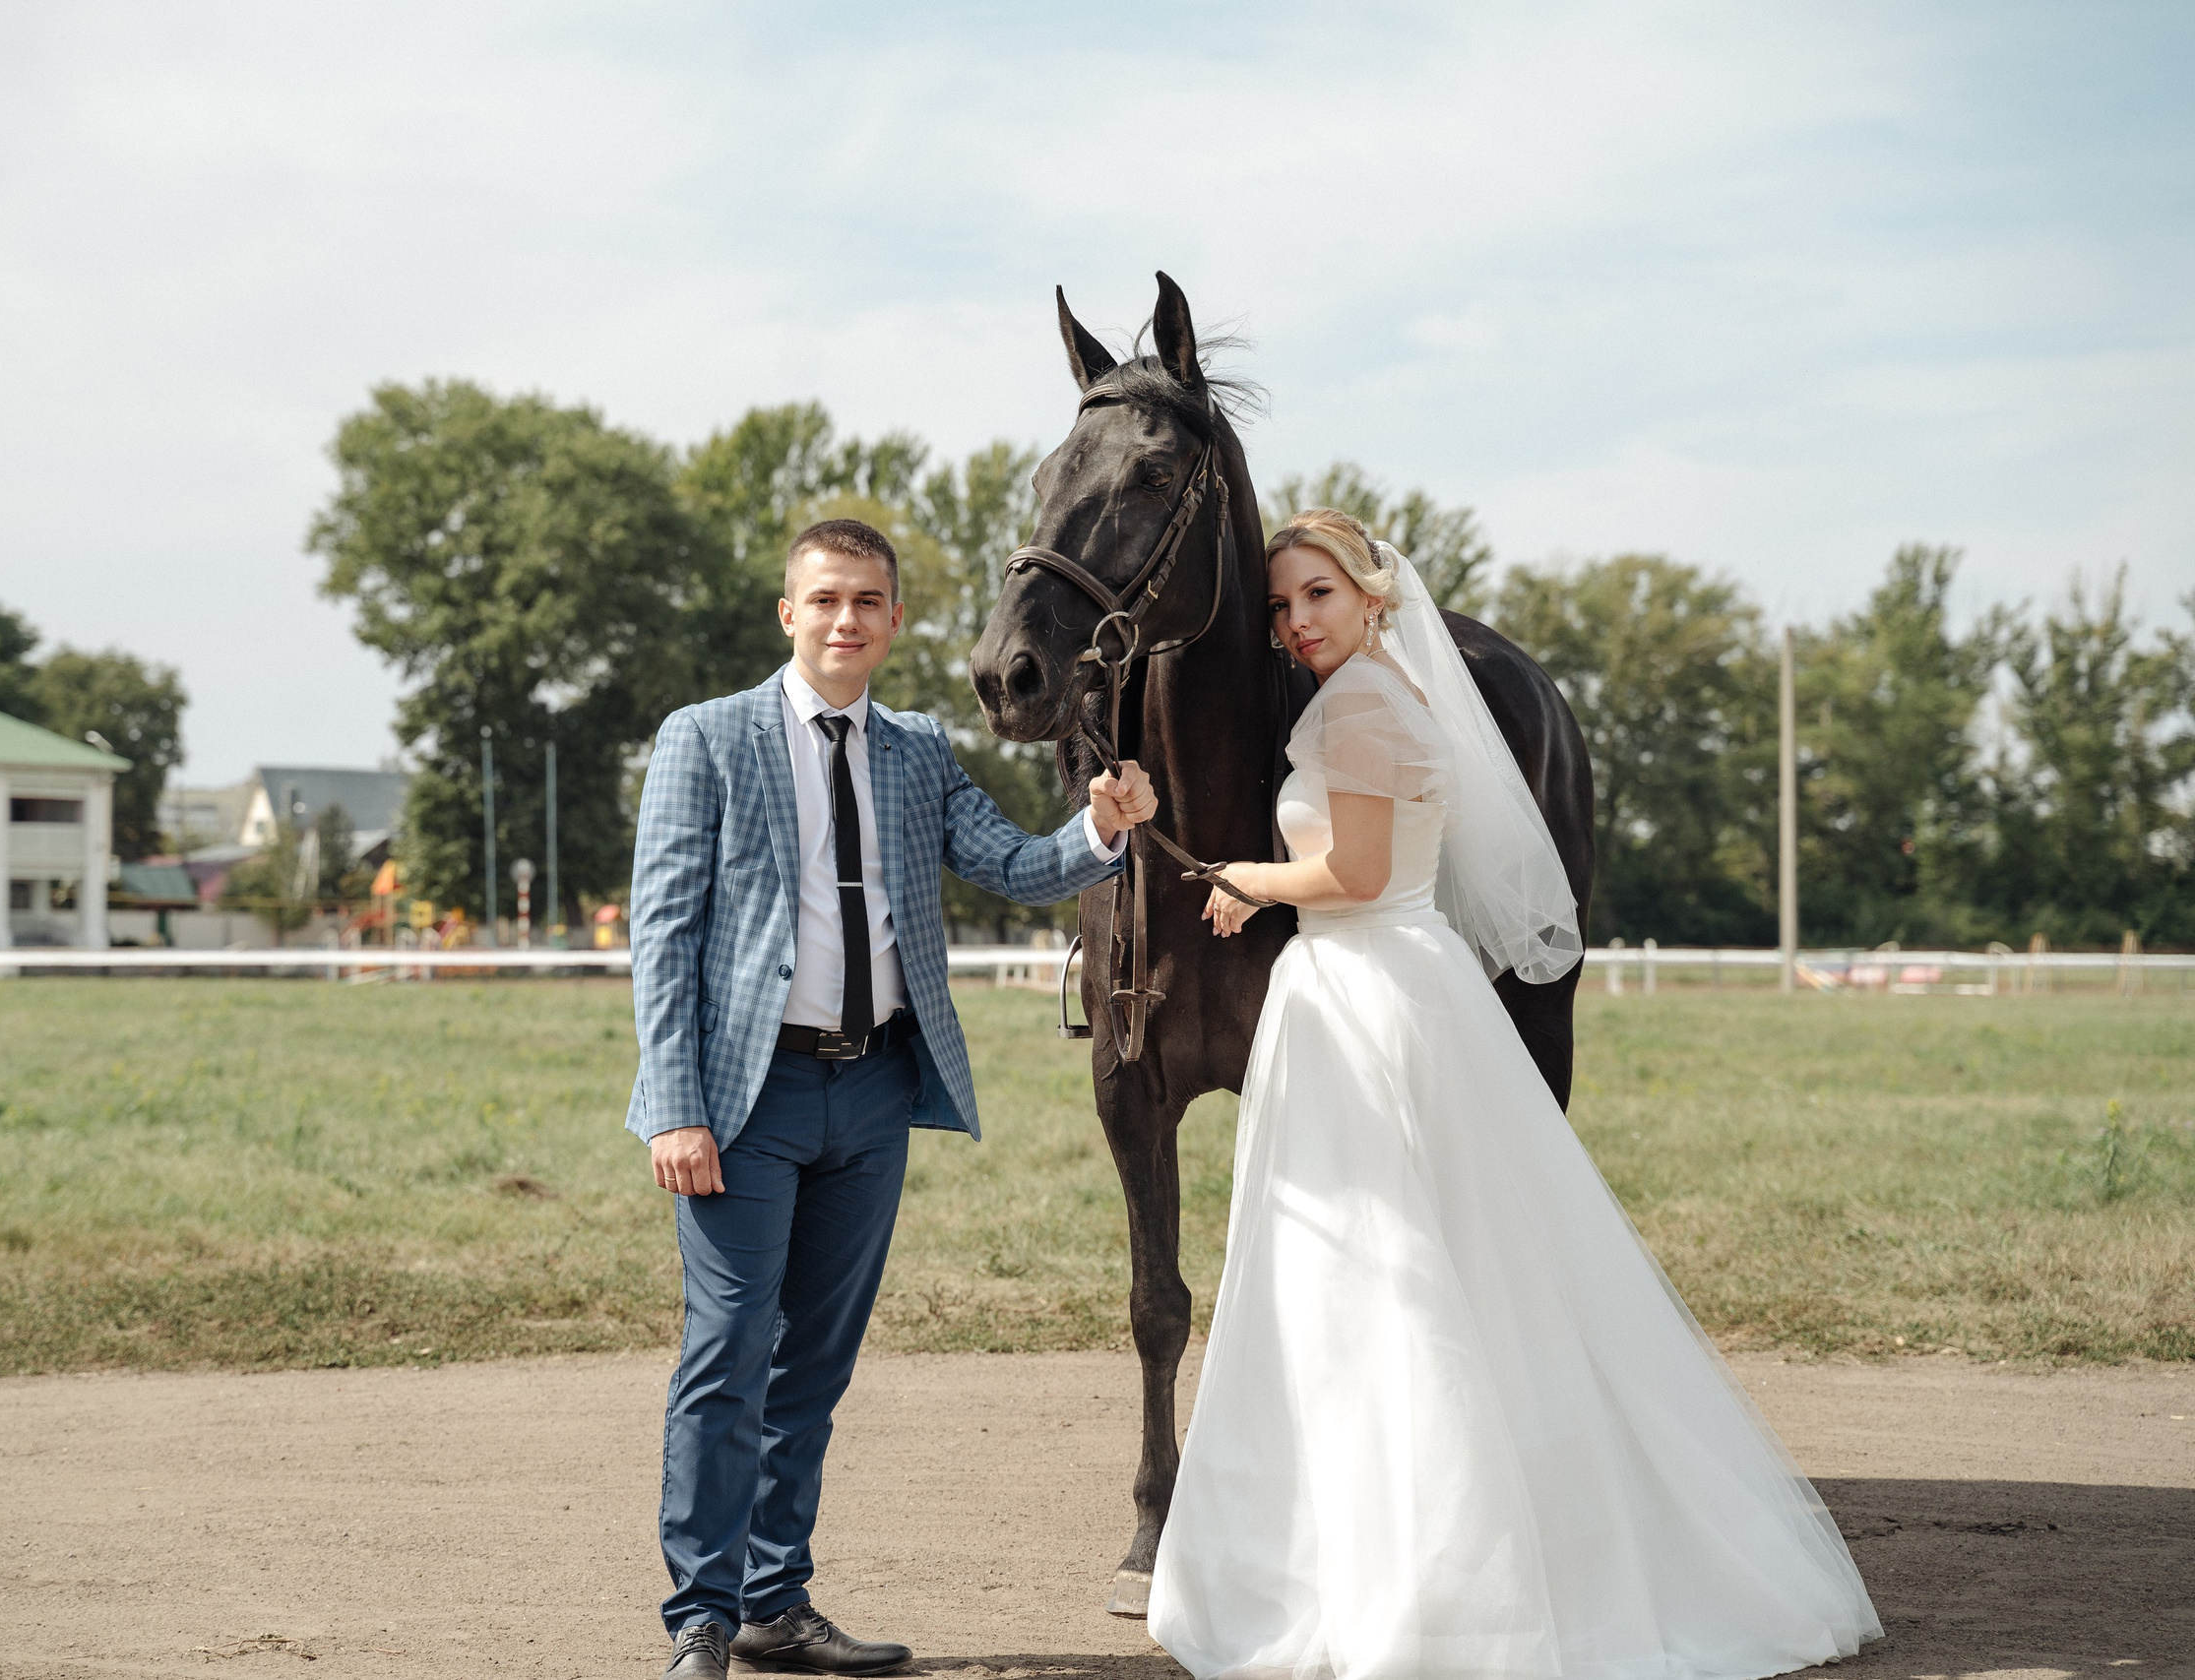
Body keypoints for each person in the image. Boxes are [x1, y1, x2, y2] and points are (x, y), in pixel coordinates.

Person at [1146, 509, 1881, 1680]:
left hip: (1366, 992)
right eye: (1281, 606)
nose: (1294, 623)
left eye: (1317, 596)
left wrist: (1244, 877)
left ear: (1373, 594)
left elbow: (1357, 874)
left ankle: (1420, 1575)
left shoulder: (1367, 706)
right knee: (1423, 1263)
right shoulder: (1385, 694)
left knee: (1374, 1271)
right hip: (1382, 984)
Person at [628, 518, 1158, 1680]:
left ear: (894, 619)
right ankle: (702, 1620)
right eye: (823, 600)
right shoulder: (704, 740)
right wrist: (675, 1105)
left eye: (866, 601)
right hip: (742, 1099)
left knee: (813, 1365)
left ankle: (776, 1603)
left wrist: (1098, 829)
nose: (844, 620)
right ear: (788, 613)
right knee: (725, 1355)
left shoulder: (916, 752)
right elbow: (660, 936)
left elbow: (1012, 867)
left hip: (871, 1092)